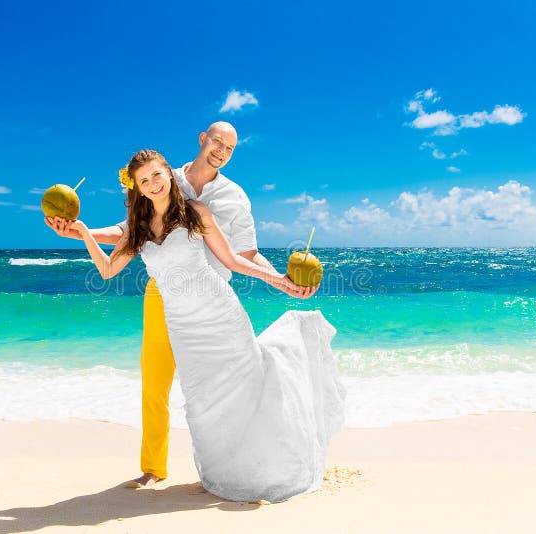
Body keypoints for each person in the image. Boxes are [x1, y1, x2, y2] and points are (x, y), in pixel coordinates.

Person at [67, 149, 345, 503]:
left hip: (218, 312)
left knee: (245, 385)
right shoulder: (137, 228)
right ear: (136, 187)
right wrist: (82, 233)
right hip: (182, 324)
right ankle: (226, 473)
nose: (153, 184)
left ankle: (269, 466)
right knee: (204, 404)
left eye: (157, 175)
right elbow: (107, 270)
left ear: (169, 173)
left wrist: (280, 282)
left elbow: (232, 261)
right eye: (144, 180)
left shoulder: (195, 212)